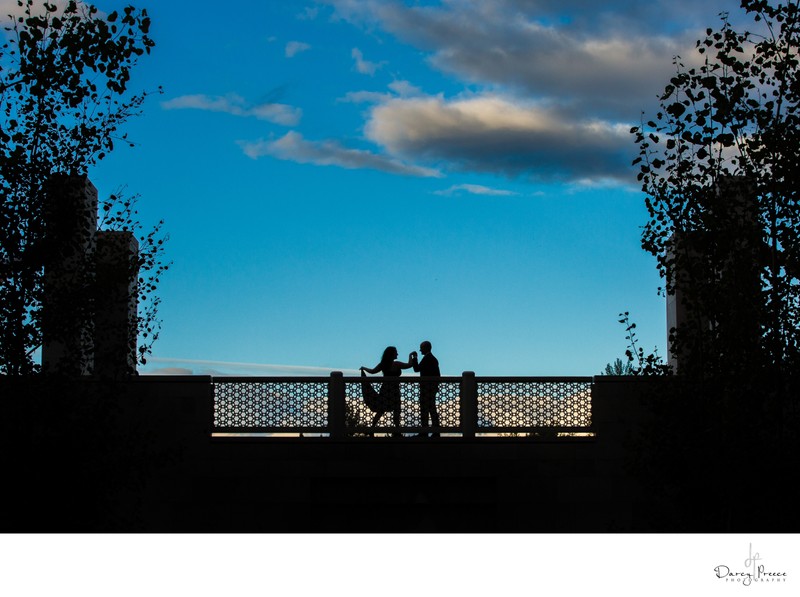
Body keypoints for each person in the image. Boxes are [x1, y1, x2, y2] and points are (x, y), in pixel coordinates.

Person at [360, 346, 413, 437]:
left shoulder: (385, 364)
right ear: (391, 354)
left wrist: (364, 368)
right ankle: (395, 431)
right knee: (393, 409)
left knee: (383, 410)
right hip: (391, 390)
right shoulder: (396, 364)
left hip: (389, 389)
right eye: (396, 352)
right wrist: (411, 356)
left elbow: (372, 371)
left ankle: (374, 429)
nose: (397, 354)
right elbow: (409, 365)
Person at [410, 340, 440, 438]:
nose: (420, 350)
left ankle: (425, 432)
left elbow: (416, 369)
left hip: (427, 388)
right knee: (431, 409)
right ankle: (435, 431)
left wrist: (414, 358)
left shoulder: (427, 359)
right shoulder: (433, 359)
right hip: (431, 388)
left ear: (426, 348)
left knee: (426, 409)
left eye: (421, 348)